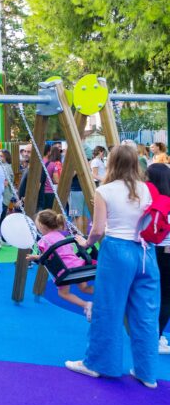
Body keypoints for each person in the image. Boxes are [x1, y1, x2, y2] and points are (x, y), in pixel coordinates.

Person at [66, 145, 159, 388]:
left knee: (108, 309)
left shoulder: (104, 190)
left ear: (111, 163)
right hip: (145, 252)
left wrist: (86, 243)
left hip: (117, 250)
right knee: (146, 314)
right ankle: (147, 373)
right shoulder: (147, 189)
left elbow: (98, 229)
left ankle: (98, 364)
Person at [27, 210, 94, 319]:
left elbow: (46, 257)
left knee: (63, 293)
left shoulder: (43, 240)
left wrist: (35, 257)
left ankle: (86, 304)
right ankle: (105, 293)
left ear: (42, 226)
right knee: (84, 288)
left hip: (64, 270)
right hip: (79, 265)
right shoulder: (61, 236)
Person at [146, 163, 170, 355]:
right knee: (165, 297)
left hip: (150, 249)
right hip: (167, 251)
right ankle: (156, 336)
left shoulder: (147, 199)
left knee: (150, 293)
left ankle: (151, 334)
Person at [42, 145, 63, 210]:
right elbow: (56, 180)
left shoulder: (37, 164)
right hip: (49, 192)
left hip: (40, 192)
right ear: (48, 152)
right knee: (49, 212)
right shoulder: (52, 165)